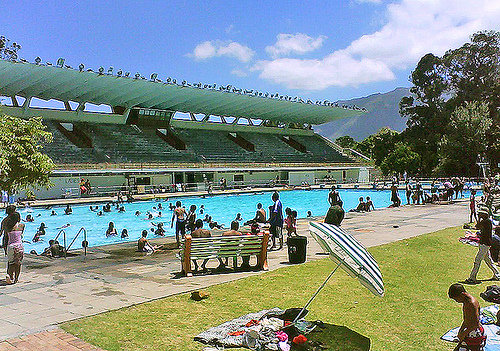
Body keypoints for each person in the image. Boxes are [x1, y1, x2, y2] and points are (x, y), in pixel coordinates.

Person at [465, 210, 500, 284]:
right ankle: (497, 275)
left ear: (484, 215)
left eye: (480, 214)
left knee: (477, 261)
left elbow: (477, 226)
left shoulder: (486, 221)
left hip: (485, 244)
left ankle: (472, 277)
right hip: (484, 243)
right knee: (489, 261)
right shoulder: (487, 221)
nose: (479, 215)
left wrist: (478, 218)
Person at [448, 283, 486, 350]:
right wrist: (461, 331)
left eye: (456, 299)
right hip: (470, 331)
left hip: (474, 333)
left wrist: (463, 334)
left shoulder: (471, 303)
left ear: (462, 294)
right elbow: (467, 319)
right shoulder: (466, 301)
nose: (456, 301)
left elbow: (475, 324)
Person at [2, 212, 24, 284]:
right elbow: (21, 234)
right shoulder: (22, 225)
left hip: (11, 246)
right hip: (19, 245)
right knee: (18, 263)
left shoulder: (8, 226)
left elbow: (5, 236)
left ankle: (9, 276)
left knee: (11, 263)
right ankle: (16, 279)